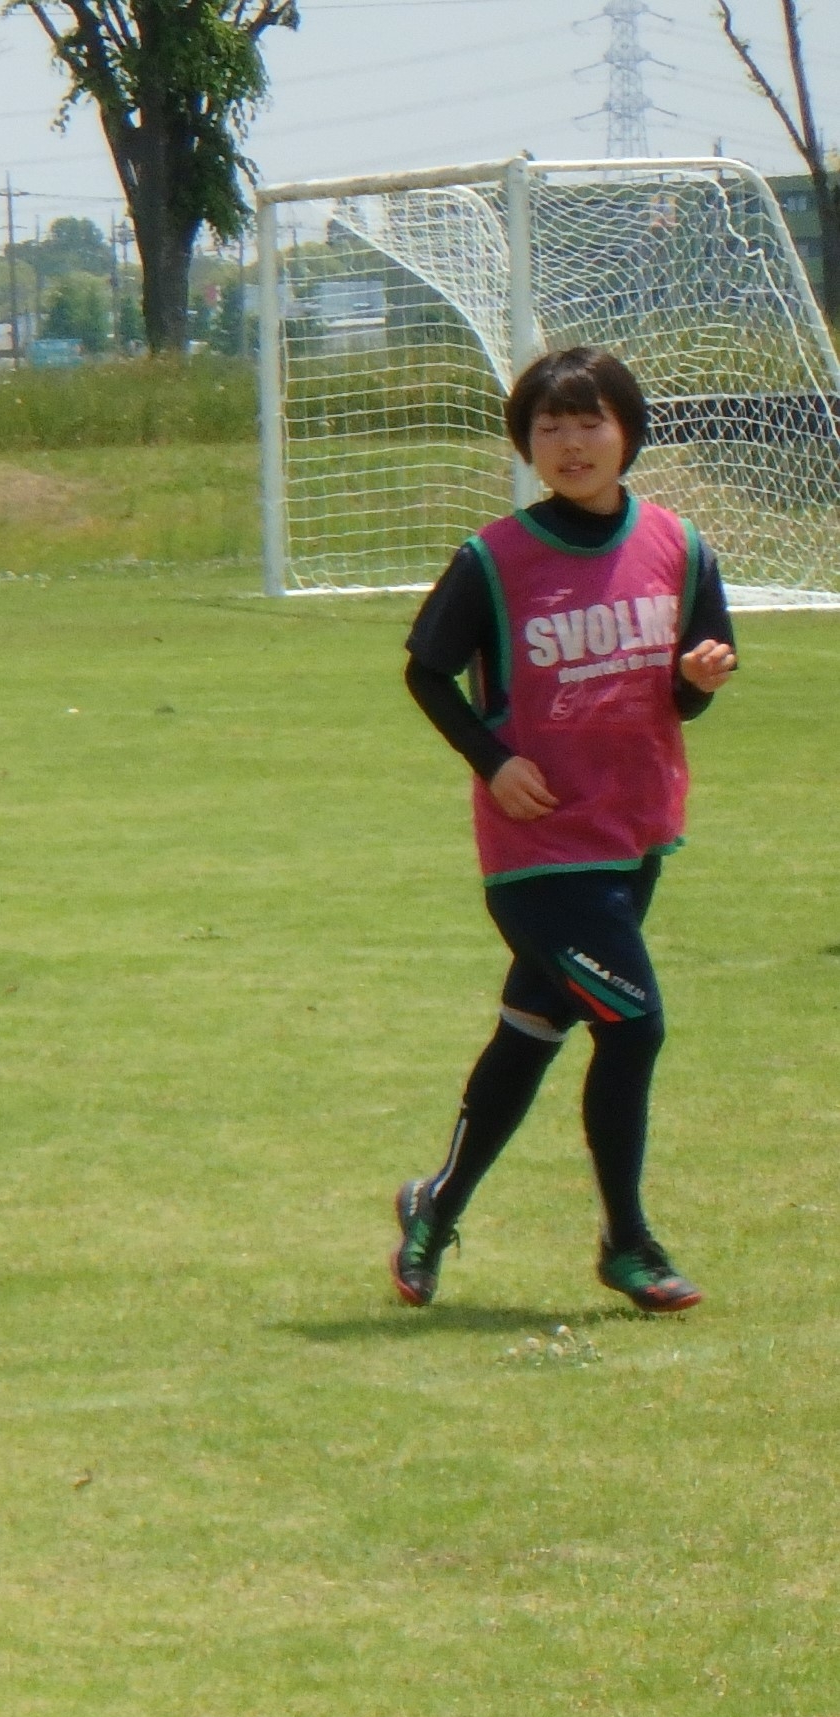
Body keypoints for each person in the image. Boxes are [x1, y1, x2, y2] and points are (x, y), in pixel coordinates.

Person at [390, 345, 737, 1314]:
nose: (572, 443)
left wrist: (697, 680)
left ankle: (434, 1203)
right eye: (551, 427)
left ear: (627, 430)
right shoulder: (494, 558)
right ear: (527, 443)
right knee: (634, 1024)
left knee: (533, 1031)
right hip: (541, 854)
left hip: (634, 837)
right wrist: (493, 761)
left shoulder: (678, 545)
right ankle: (628, 1243)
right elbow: (425, 670)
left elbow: (690, 684)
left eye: (590, 423)